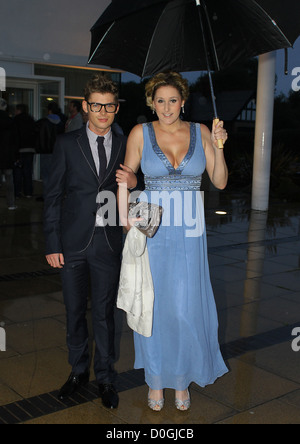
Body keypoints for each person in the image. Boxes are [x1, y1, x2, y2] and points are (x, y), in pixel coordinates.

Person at [118, 72, 229, 412]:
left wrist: (220, 147)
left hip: (191, 230)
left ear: (183, 101)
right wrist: (124, 220)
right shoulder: (140, 132)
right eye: (160, 100)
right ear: (152, 102)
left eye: (173, 100)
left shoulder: (202, 131)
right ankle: (155, 381)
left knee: (184, 309)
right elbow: (126, 176)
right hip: (154, 229)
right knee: (153, 306)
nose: (166, 108)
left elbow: (220, 182)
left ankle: (180, 381)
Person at [44, 74, 139, 410]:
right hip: (71, 244)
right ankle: (78, 371)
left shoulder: (127, 143)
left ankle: (106, 376)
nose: (103, 112)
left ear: (115, 108)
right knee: (73, 311)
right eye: (96, 105)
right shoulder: (67, 144)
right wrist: (52, 243)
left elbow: (133, 196)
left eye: (109, 106)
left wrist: (134, 179)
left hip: (108, 243)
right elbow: (53, 196)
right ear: (85, 106)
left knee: (103, 314)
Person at [35, 102, 63, 200]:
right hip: (57, 152)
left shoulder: (43, 122)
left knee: (46, 175)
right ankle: (54, 195)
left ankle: (47, 195)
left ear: (49, 110)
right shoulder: (61, 123)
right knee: (55, 175)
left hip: (45, 151)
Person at [12, 104, 36, 198]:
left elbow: (14, 136)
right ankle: (28, 192)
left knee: (18, 172)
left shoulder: (16, 120)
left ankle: (17, 192)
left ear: (18, 110)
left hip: (19, 149)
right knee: (28, 171)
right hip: (30, 149)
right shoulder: (31, 120)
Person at [0, 98, 17, 210]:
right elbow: (15, 141)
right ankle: (11, 203)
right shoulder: (10, 121)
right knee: (9, 180)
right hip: (7, 156)